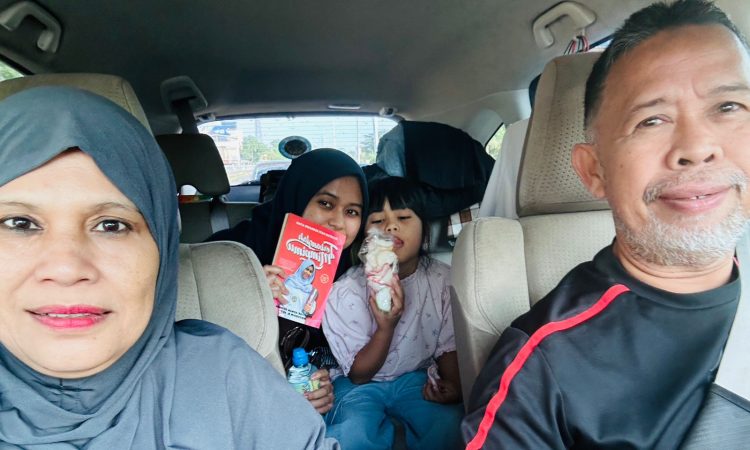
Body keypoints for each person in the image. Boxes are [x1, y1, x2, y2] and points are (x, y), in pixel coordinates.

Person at [462, 1, 750, 448]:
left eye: (728, 106)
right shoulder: (540, 367)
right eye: (651, 120)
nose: (697, 147)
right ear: (593, 170)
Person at [0, 86, 338, 448]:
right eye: (19, 223)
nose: (66, 269)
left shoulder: (224, 376)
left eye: (111, 225)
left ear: (162, 245)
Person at [208, 148, 368, 414]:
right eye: (325, 204)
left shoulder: (359, 272)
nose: (338, 222)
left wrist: (320, 384)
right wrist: (247, 292)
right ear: (296, 196)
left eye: (351, 211)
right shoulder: (233, 253)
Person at [323, 177, 464, 450]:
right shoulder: (345, 291)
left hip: (416, 376)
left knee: (449, 425)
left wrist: (454, 385)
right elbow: (358, 375)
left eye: (403, 217)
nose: (390, 226)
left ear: (424, 229)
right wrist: (385, 328)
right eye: (377, 221)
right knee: (352, 431)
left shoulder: (442, 281)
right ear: (363, 236)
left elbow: (447, 346)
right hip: (358, 384)